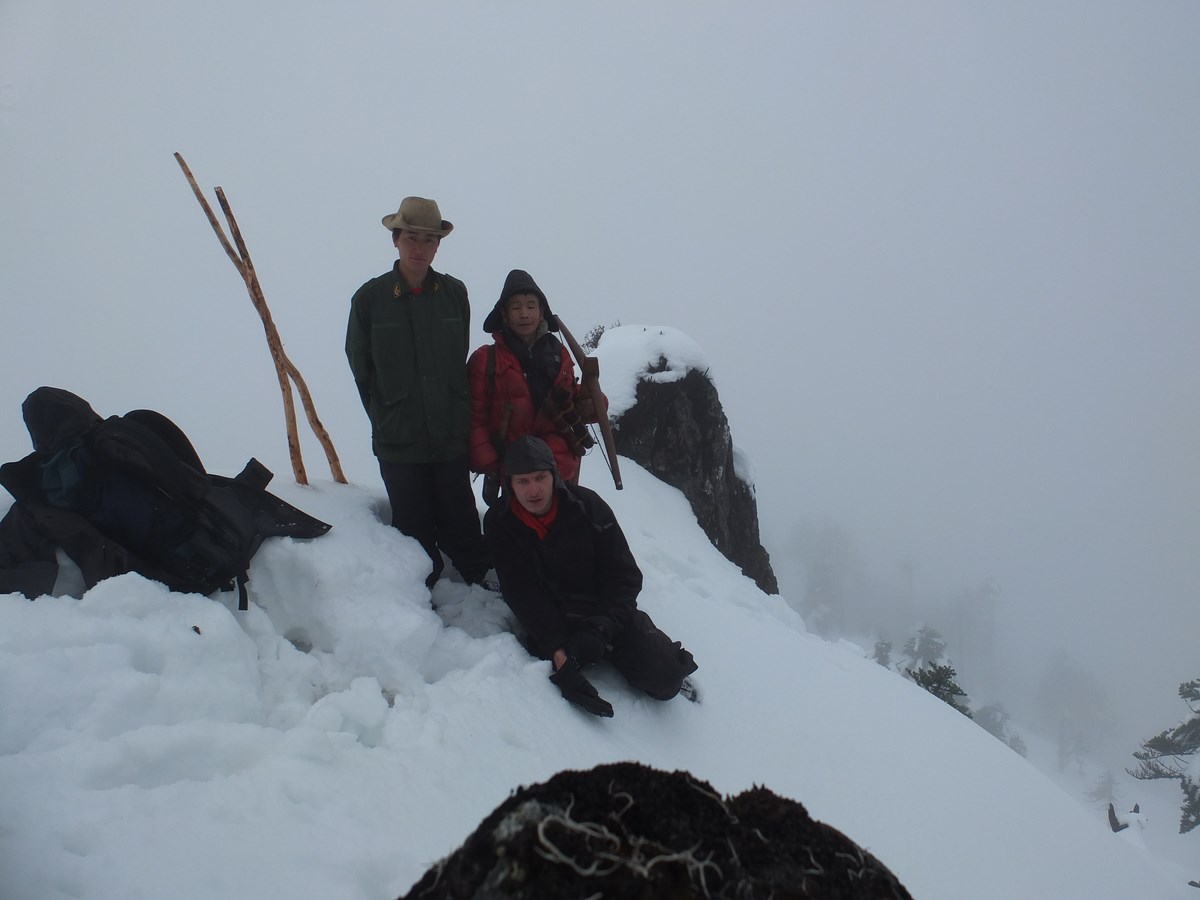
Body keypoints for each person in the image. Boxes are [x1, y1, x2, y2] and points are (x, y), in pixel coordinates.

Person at [484, 436, 697, 717]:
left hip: (603, 610)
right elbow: (521, 592)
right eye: (522, 481)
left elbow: (625, 576)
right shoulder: (500, 522)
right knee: (550, 676)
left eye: (540, 477)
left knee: (666, 678)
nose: (533, 489)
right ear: (510, 484)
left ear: (554, 476)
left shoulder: (587, 506)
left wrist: (601, 628)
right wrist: (559, 652)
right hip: (553, 617)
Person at [345, 197, 490, 588]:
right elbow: (361, 368)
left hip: (448, 432)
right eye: (411, 237)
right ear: (396, 240)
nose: (419, 247)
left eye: (428, 239)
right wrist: (386, 414)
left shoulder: (454, 293)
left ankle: (477, 584)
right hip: (398, 438)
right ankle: (419, 597)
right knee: (412, 525)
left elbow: (458, 353)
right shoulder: (370, 299)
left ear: (438, 246)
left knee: (460, 513)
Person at [467, 269, 599, 504]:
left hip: (558, 467)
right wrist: (489, 462)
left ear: (541, 312)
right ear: (505, 314)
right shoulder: (485, 359)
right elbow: (475, 416)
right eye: (516, 307)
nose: (524, 314)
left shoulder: (559, 354)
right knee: (518, 534)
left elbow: (572, 399)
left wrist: (595, 403)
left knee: (562, 532)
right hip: (514, 469)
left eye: (531, 306)